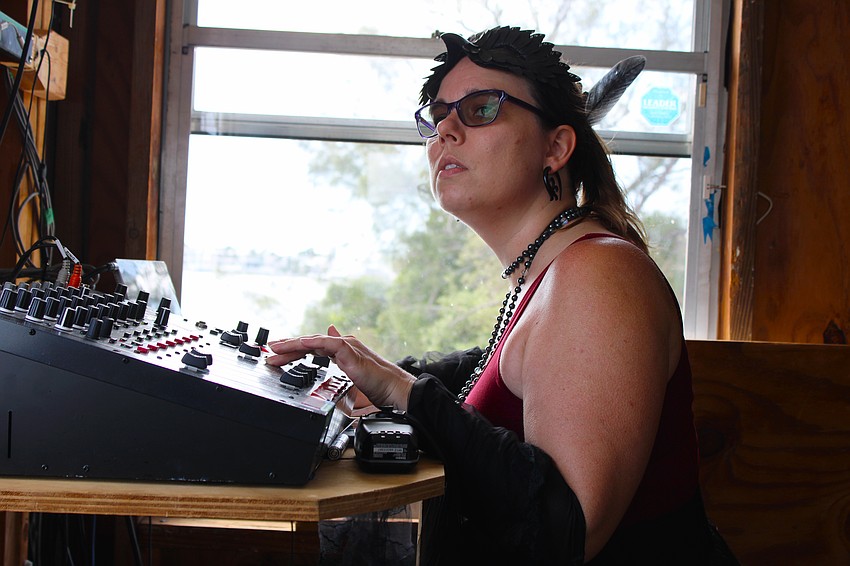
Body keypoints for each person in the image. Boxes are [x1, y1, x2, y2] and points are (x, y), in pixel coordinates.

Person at [268, 26, 736, 565]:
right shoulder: (545, 277)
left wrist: (408, 392)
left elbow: (566, 536)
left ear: (556, 147)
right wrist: (377, 379)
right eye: (437, 115)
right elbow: (501, 386)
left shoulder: (598, 275)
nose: (445, 130)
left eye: (481, 109)